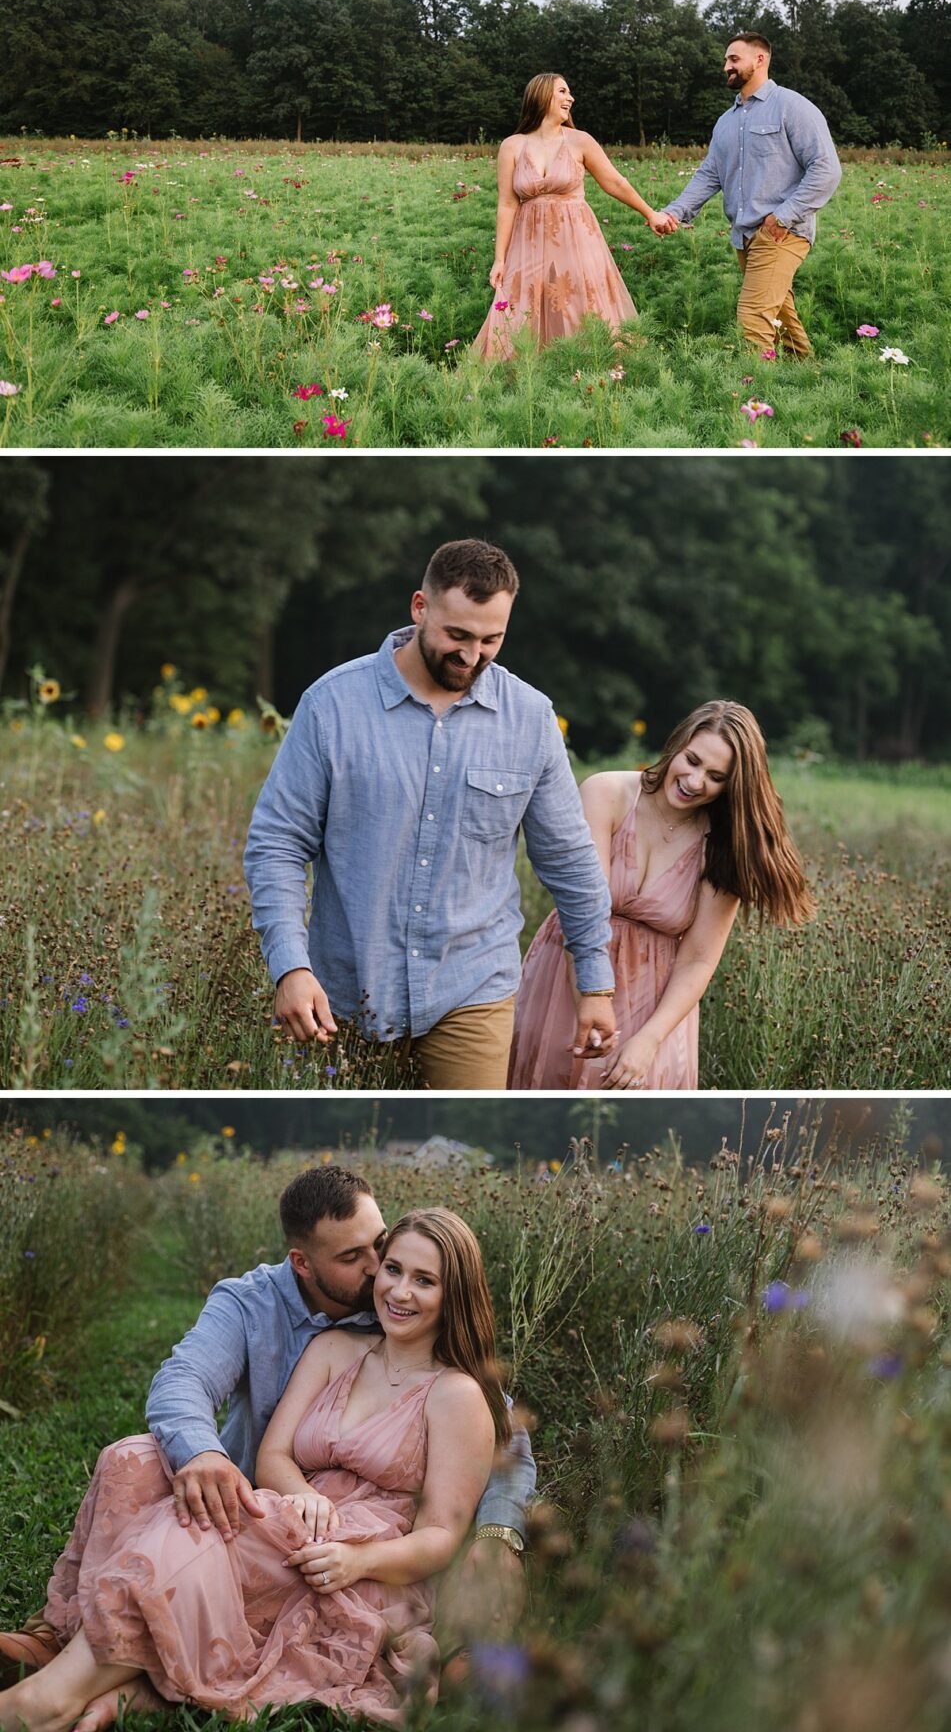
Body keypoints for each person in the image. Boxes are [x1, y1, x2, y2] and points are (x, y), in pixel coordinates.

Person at [1, 1167, 534, 1718]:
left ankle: (50, 1699)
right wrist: (228, 1464)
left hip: (367, 1545)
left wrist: (498, 1532)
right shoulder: (303, 1330)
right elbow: (197, 1392)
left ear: (454, 1293)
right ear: (304, 1262)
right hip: (276, 1499)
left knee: (192, 1535)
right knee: (132, 1465)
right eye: (372, 1262)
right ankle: (70, 1648)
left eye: (411, 1271)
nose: (385, 1279)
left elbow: (491, 1459)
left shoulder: (455, 1388)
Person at [243, 540, 617, 1090]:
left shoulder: (531, 719)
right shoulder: (332, 706)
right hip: (342, 992)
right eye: (458, 636)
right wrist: (291, 968)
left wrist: (596, 986)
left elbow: (569, 860)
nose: (472, 657)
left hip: (472, 986)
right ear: (420, 607)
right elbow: (276, 844)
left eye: (492, 640)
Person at [509, 700, 813, 1090]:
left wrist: (649, 1040)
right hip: (569, 972)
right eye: (692, 760)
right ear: (677, 744)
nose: (695, 781)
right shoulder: (607, 793)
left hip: (656, 1003)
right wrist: (589, 996)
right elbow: (583, 912)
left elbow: (699, 960)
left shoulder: (723, 844)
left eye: (716, 777)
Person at [654, 33, 842, 355]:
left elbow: (826, 169)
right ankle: (808, 376)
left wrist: (781, 217)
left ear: (760, 60)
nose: (726, 66)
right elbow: (709, 175)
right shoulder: (726, 123)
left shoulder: (792, 107)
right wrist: (675, 212)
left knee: (753, 317)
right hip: (745, 236)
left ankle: (755, 398)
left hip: (782, 233)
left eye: (734, 59)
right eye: (726, 60)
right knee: (781, 316)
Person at [473, 71, 668, 359]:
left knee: (580, 303)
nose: (570, 98)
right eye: (563, 92)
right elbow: (507, 205)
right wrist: (499, 258)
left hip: (576, 238)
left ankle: (588, 368)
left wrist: (650, 213)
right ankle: (533, 371)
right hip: (528, 243)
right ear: (542, 96)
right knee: (524, 304)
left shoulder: (580, 141)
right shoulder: (511, 146)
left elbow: (615, 182)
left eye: (569, 92)